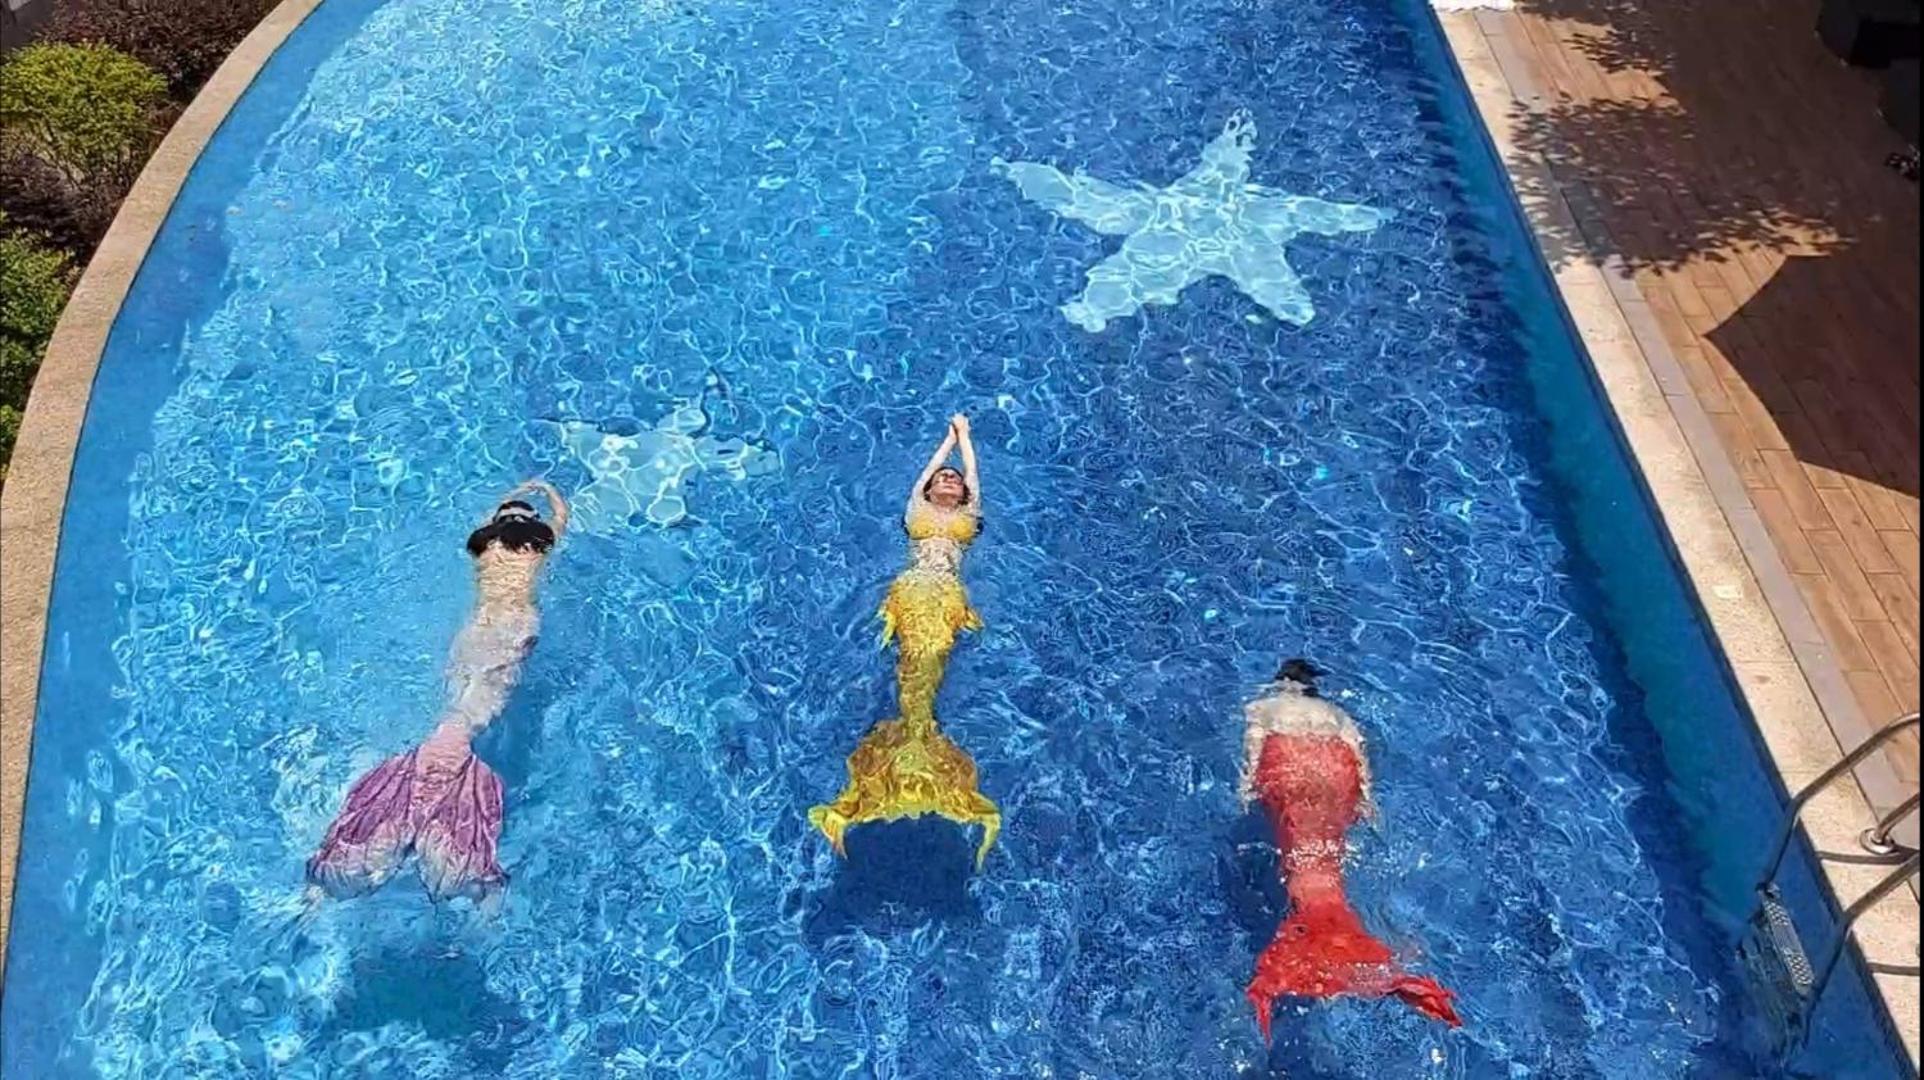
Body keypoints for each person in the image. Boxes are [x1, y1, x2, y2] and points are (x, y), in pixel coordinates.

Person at [305, 481, 568, 906]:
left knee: (458, 708)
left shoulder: (483, 544)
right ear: (530, 521)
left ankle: (406, 805)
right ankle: (440, 817)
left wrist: (512, 495)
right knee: (474, 717)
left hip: (474, 632)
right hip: (515, 626)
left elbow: (487, 518)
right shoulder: (539, 542)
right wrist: (545, 489)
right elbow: (562, 516)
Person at [809, 415, 1001, 868]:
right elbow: (925, 474)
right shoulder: (918, 509)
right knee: (918, 662)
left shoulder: (968, 515)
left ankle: (905, 759)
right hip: (910, 589)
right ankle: (910, 758)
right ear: (929, 490)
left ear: (964, 493)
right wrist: (947, 441)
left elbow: (973, 473)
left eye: (955, 478)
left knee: (927, 663)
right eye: (942, 477)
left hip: (947, 592)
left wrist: (965, 439)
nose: (949, 478)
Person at [1242, 658, 1460, 1038]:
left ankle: (1316, 957)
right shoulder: (1337, 714)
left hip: (1289, 763)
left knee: (1303, 863)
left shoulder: (1263, 706)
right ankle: (1366, 961)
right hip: (1333, 769)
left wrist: (1247, 790)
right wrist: (1367, 800)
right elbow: (1359, 760)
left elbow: (1255, 748)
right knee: (1326, 864)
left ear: (1284, 682)